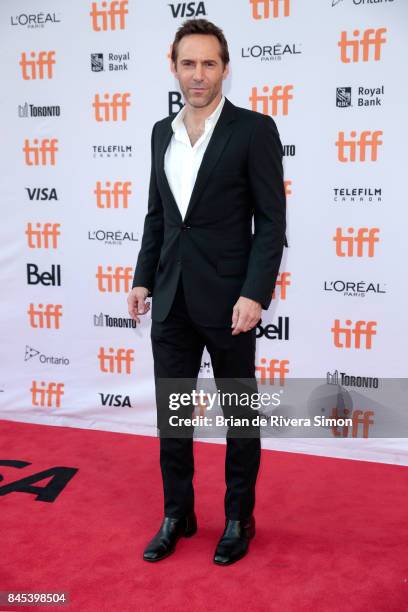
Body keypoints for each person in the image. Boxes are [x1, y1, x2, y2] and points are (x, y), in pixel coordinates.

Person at [127, 18, 286, 566]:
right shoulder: (159, 132)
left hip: (231, 303)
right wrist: (142, 277)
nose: (199, 74)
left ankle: (240, 517)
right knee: (174, 413)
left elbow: (270, 223)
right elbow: (158, 217)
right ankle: (178, 514)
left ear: (225, 68)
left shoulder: (253, 129)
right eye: (189, 63)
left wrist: (255, 294)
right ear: (173, 67)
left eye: (209, 64)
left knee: (239, 417)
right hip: (169, 298)